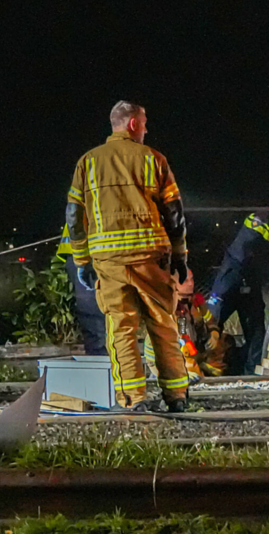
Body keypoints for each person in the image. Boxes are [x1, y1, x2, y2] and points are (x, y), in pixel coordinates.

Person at [66, 101, 191, 412]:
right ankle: (177, 396)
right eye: (145, 123)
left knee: (120, 327)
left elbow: (73, 215)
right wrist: (180, 257)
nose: (147, 129)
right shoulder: (154, 159)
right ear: (133, 124)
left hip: (108, 261)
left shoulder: (88, 162)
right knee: (162, 324)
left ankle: (133, 399)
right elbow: (174, 214)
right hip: (150, 257)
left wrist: (82, 260)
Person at [206, 193, 269, 374]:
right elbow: (246, 252)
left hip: (252, 282)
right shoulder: (261, 219)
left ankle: (251, 374)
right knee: (212, 323)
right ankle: (203, 368)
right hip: (232, 278)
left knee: (257, 330)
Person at [55, 224, 107, 355]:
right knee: (94, 316)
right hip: (88, 253)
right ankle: (101, 365)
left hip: (89, 252)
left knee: (99, 316)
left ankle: (103, 364)